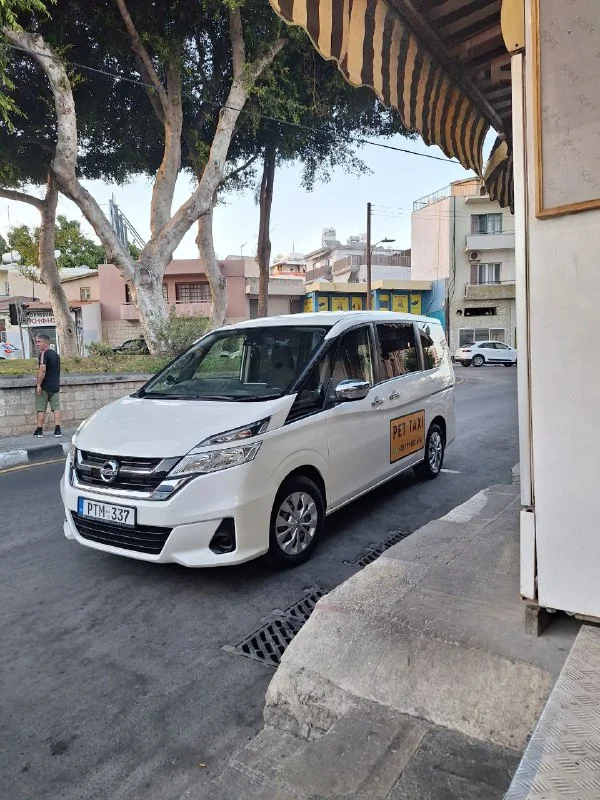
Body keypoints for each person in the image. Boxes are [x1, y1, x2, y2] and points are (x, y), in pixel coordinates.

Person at [33, 334, 62, 437]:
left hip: (44, 387)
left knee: (41, 408)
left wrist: (38, 384)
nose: (37, 344)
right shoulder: (56, 355)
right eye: (37, 342)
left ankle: (39, 430)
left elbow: (42, 370)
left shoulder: (43, 354)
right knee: (56, 408)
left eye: (39, 342)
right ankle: (58, 430)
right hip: (55, 386)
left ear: (46, 343)